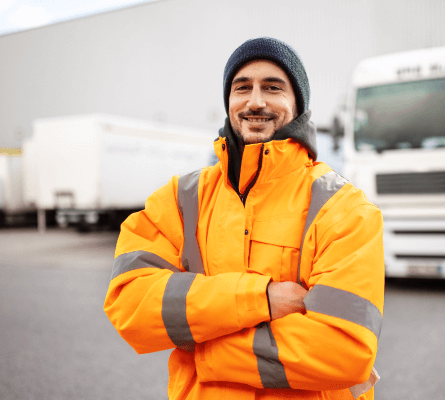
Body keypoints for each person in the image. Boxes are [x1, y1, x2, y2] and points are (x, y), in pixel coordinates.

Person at [104, 37, 384, 400]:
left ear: (297, 104)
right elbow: (130, 305)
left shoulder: (345, 209)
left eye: (272, 87)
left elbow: (344, 352)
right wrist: (261, 299)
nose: (255, 101)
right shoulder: (181, 198)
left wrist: (203, 351)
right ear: (229, 101)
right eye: (242, 87)